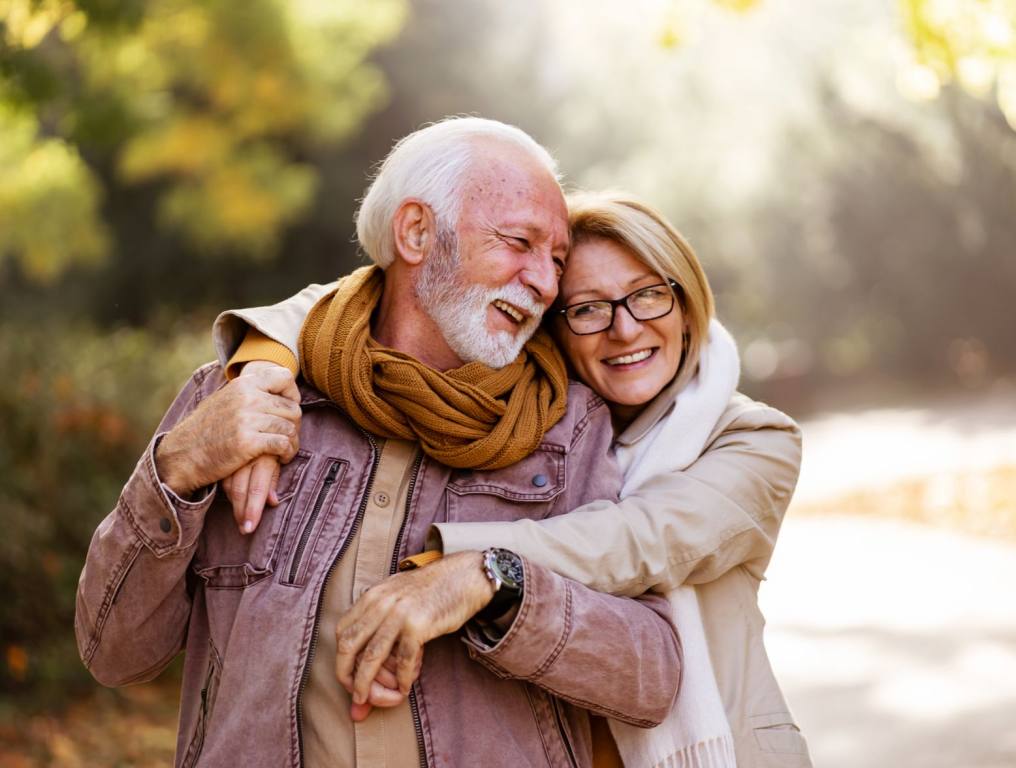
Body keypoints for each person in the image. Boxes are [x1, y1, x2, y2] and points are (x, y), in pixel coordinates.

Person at [74, 118, 683, 768]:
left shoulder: (571, 426)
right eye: (519, 243)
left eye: (556, 259)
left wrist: (498, 585)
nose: (544, 282)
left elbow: (652, 676)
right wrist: (176, 468)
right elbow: (114, 650)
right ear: (416, 231)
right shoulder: (243, 395)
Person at [219, 192, 812, 767]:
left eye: (647, 296)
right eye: (587, 308)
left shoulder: (755, 439)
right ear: (552, 324)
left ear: (687, 304)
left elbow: (639, 537)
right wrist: (265, 359)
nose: (625, 330)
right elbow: (376, 304)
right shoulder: (546, 419)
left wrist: (478, 570)